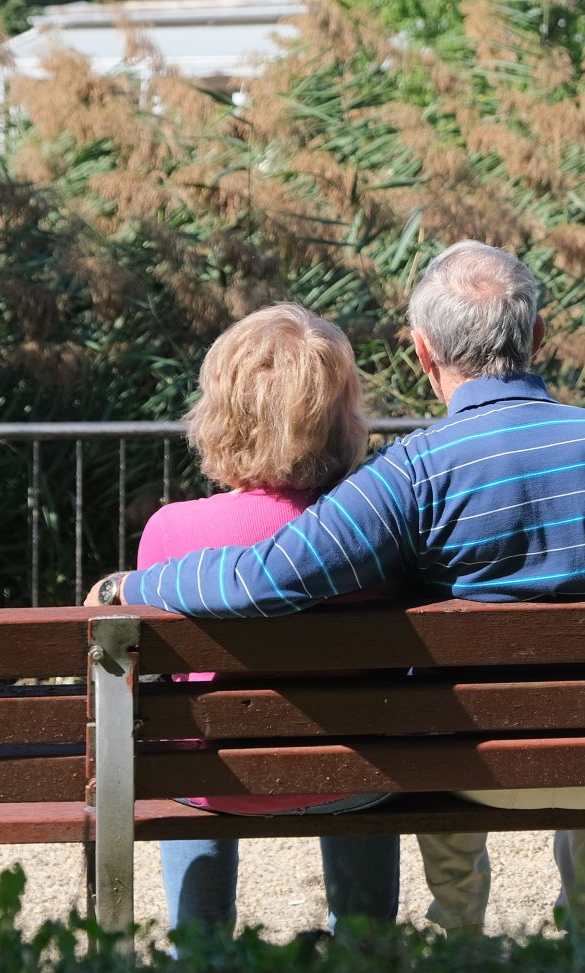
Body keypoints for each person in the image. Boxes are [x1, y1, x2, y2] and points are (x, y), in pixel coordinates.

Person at [95, 241, 585, 933]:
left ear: (423, 352)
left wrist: (135, 583)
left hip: (473, 766)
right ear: (538, 335)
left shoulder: (413, 471)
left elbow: (264, 576)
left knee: (437, 723)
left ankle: (460, 935)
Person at [109, 303, 399, 938]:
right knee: (364, 763)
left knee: (185, 752)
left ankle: (202, 950)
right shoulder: (377, 533)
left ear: (222, 413)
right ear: (341, 416)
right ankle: (366, 951)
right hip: (350, 772)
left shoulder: (170, 532)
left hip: (208, 778)